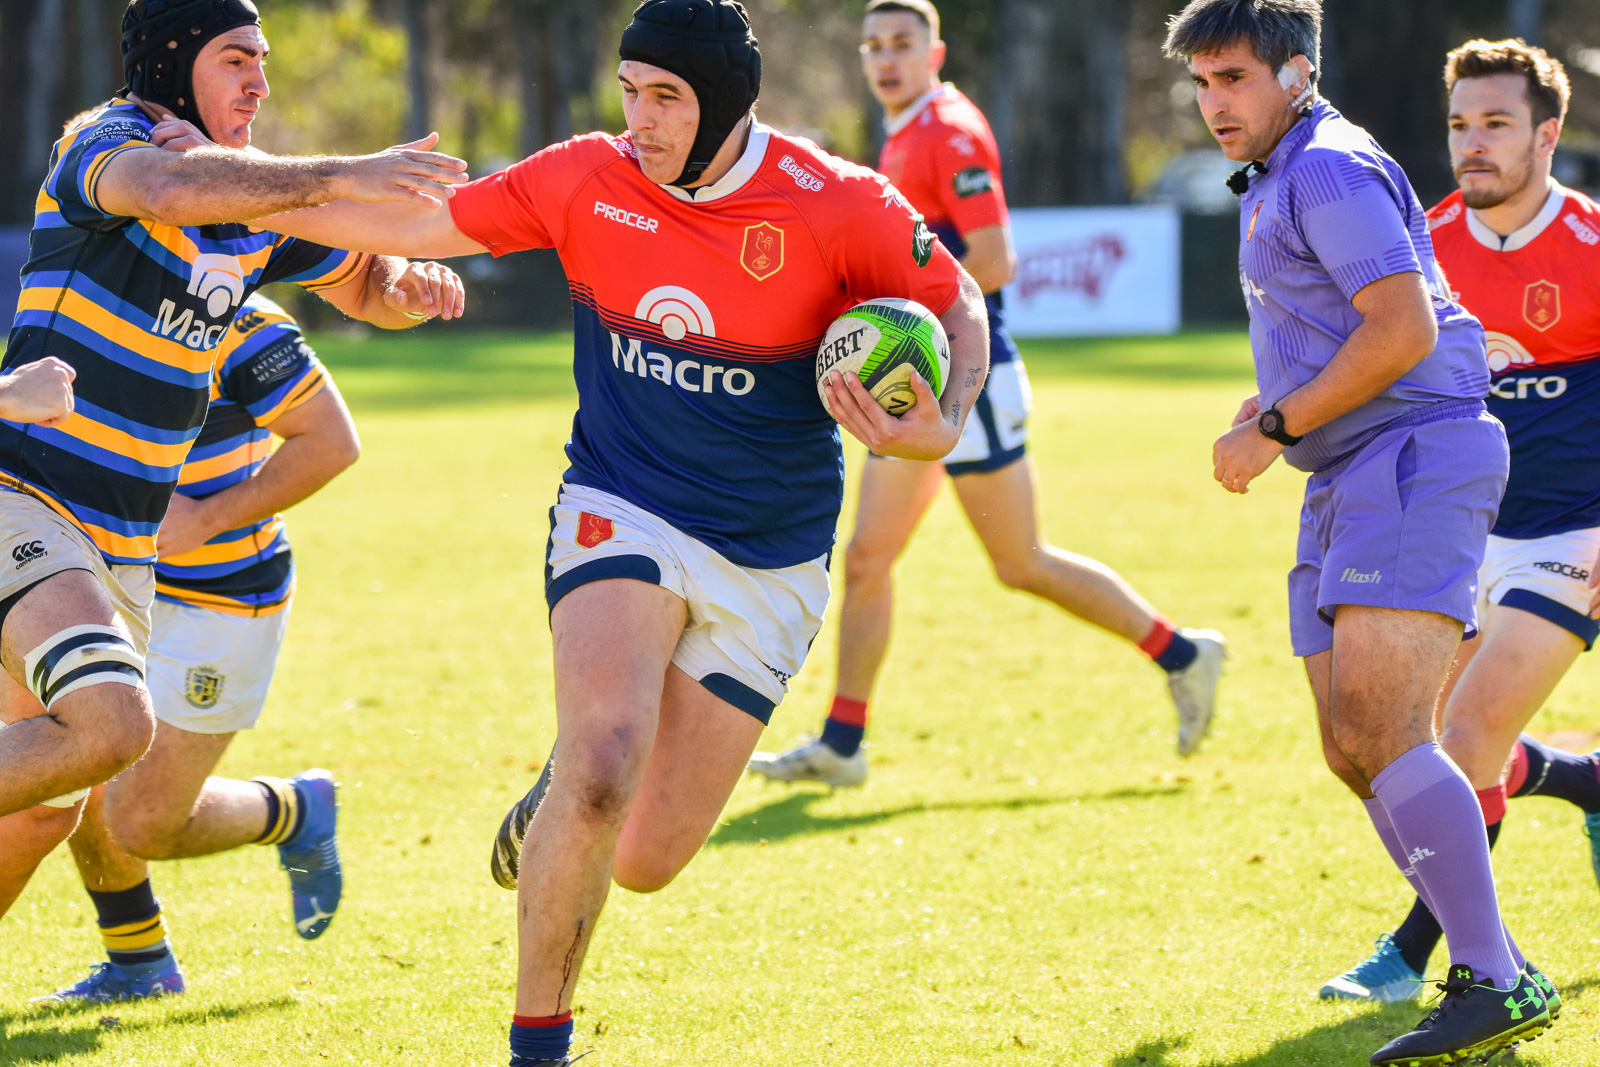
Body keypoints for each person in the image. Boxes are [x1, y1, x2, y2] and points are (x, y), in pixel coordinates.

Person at [250, 2, 988, 1061]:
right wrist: (234, 183)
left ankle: (563, 791)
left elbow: (955, 299)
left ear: (723, 103)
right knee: (602, 767)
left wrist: (946, 419)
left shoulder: (837, 200)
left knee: (641, 857)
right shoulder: (584, 176)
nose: (639, 119)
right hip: (622, 500)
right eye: (630, 91)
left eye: (667, 98)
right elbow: (415, 224)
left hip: (770, 552)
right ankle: (538, 1041)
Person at [0, 0, 465, 955]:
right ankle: (140, 954)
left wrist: (407, 291)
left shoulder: (250, 208)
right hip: (30, 498)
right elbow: (168, 188)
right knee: (111, 726)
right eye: (236, 59)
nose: (260, 82)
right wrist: (344, 169)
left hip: (120, 546)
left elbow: (365, 285)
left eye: (263, 60)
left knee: (46, 806)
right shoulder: (105, 142)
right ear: (173, 63)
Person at [1163, 1, 1553, 1062]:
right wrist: (1279, 403)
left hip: (1414, 451)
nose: (1213, 103)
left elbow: (1405, 326)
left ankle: (1492, 976)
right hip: (1350, 466)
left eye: (1234, 78)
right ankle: (1500, 965)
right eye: (1201, 83)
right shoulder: (1279, 170)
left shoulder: (1327, 167)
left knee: (1385, 726)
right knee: (1351, 745)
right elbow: (1341, 325)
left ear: (1296, 72)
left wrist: (1274, 427)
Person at [747, 0, 1226, 790]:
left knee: (1020, 561)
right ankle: (842, 743)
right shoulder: (903, 132)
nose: (886, 58)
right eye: (874, 45)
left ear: (935, 53)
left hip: (969, 379)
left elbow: (996, 260)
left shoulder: (949, 130)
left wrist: (895, 310)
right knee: (868, 558)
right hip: (911, 382)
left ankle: (1182, 652)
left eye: (903, 44)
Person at [1320, 39, 1599, 1008]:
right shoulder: (1424, 248)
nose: (1471, 143)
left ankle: (1415, 954)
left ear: (1547, 135)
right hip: (1458, 531)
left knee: (1467, 738)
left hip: (1575, 532)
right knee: (1411, 742)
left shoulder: (1593, 245)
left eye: (1496, 124)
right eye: (1458, 124)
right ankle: (1583, 781)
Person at [31, 293, 374, 1003]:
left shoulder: (244, 321)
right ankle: (139, 960)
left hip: (220, 597)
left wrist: (208, 518)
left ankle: (291, 808)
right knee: (73, 748)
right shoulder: (76, 298)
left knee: (142, 821)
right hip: (100, 579)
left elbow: (332, 442)